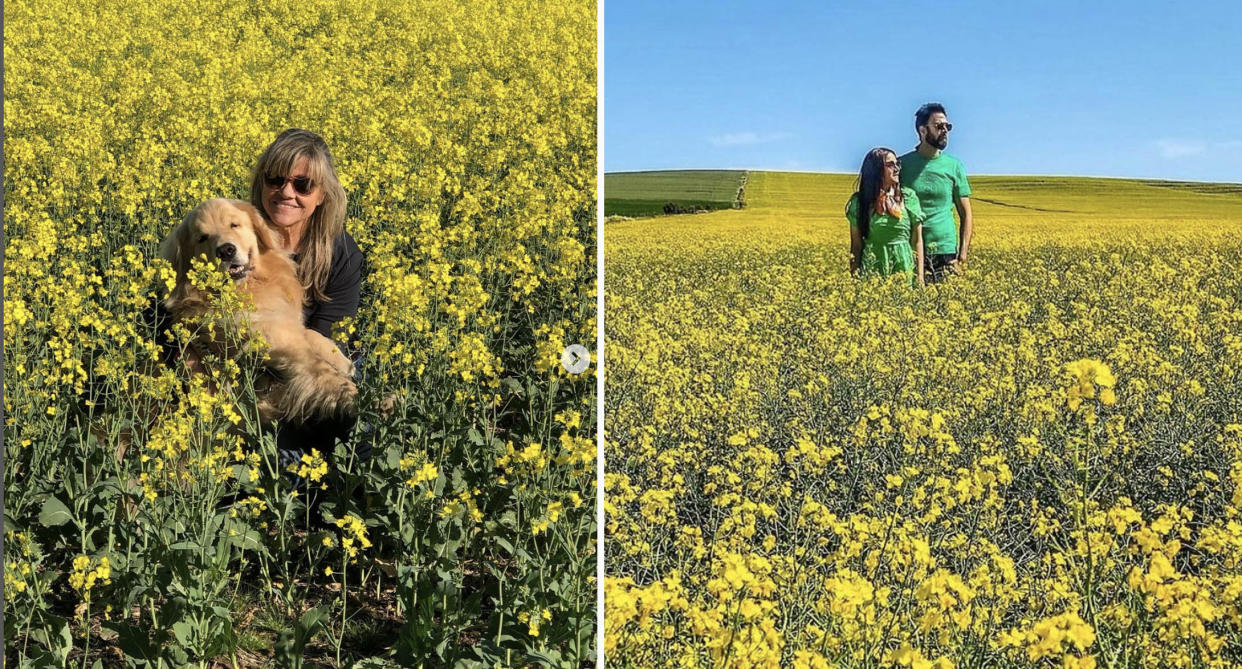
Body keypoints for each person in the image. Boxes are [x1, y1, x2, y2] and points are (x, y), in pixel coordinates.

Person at [247, 128, 367, 471]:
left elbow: (329, 345)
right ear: (261, 184)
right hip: (251, 377)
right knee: (284, 473)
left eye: (303, 185)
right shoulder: (235, 239)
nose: (287, 193)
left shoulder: (341, 254)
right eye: (276, 179)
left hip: (318, 372)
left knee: (362, 440)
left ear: (322, 196)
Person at [898, 103, 972, 283]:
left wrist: (962, 256)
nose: (945, 130)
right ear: (922, 130)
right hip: (912, 250)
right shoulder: (901, 165)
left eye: (948, 126)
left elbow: (966, 214)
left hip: (946, 251)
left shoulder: (954, 166)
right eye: (939, 126)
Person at [846, 147, 925, 286]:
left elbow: (917, 241)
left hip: (904, 267)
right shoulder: (860, 203)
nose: (897, 169)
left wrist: (920, 278)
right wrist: (854, 280)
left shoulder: (908, 197)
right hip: (873, 269)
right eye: (890, 164)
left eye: (897, 164)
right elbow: (856, 246)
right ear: (876, 170)